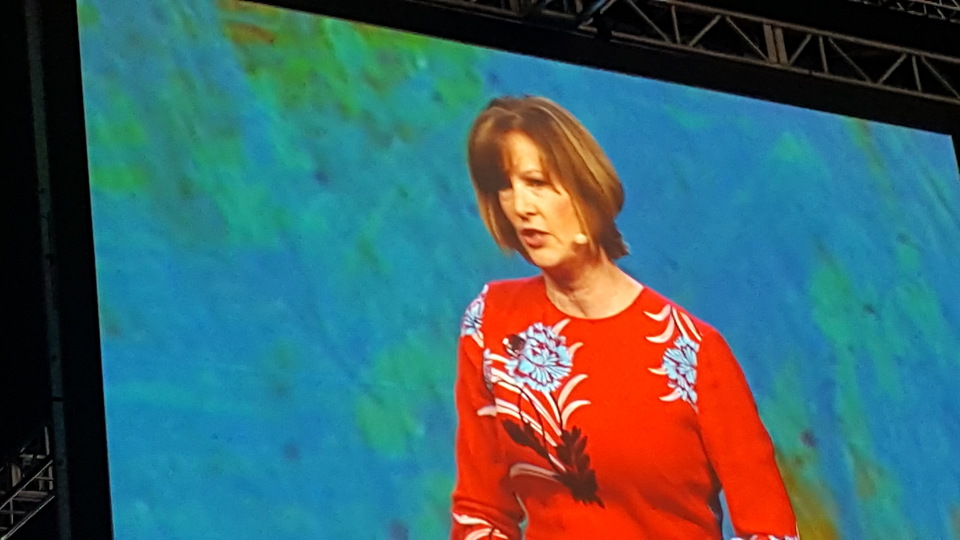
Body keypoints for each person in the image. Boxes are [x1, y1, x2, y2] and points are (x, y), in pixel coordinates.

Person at [450, 96, 798, 539]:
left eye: (536, 182)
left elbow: (769, 529)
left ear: (585, 187)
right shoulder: (491, 324)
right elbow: (481, 510)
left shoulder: (692, 353)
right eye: (505, 185)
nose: (520, 206)